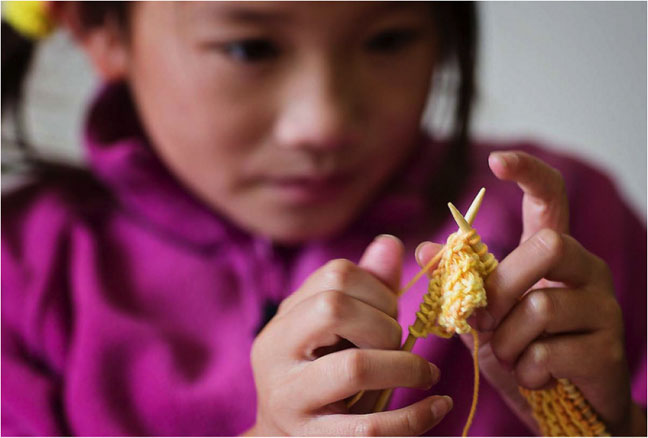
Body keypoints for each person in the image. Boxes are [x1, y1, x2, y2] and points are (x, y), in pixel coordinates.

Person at [2, 2, 645, 436]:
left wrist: (599, 420)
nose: (324, 122)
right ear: (100, 30)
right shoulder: (22, 271)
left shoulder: (563, 231)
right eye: (251, 48)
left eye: (388, 39)